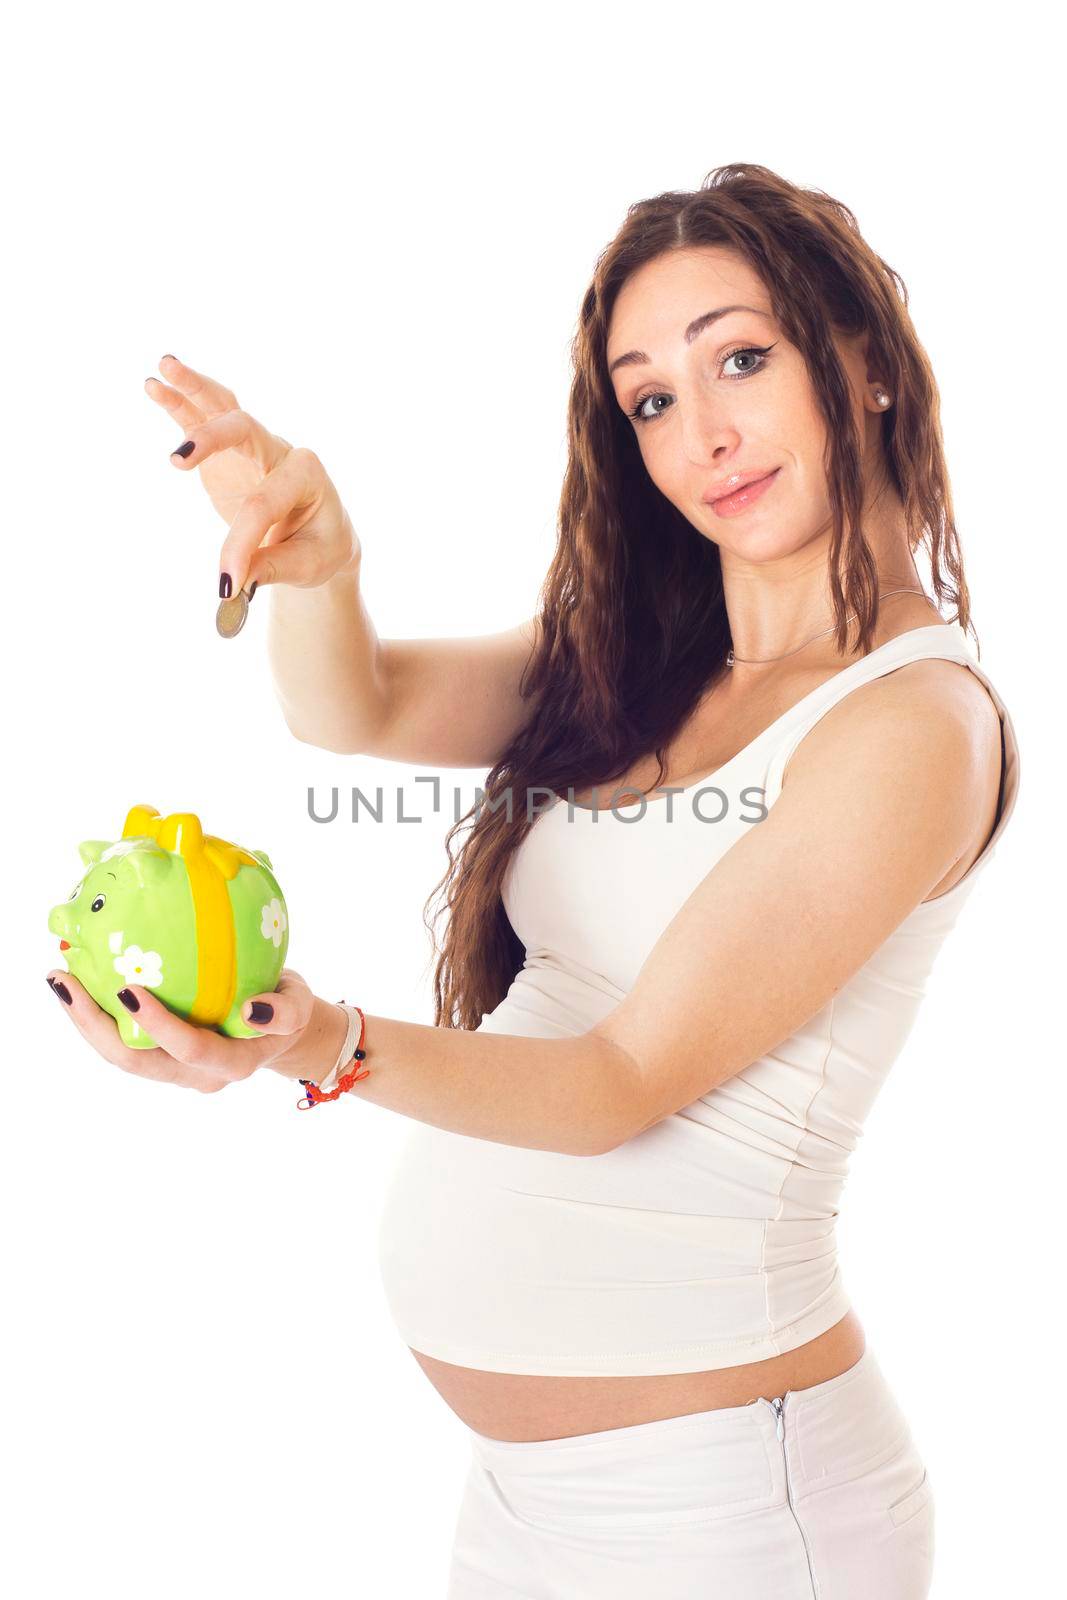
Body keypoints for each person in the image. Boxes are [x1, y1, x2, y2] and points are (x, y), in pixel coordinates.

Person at [47, 163, 1021, 1597]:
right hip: (536, 1501)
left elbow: (619, 1079)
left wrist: (318, 1045)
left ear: (863, 365)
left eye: (740, 358)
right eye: (652, 400)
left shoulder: (908, 727)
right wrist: (322, 562)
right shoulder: (648, 667)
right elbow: (356, 712)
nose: (706, 434)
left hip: (730, 1508)